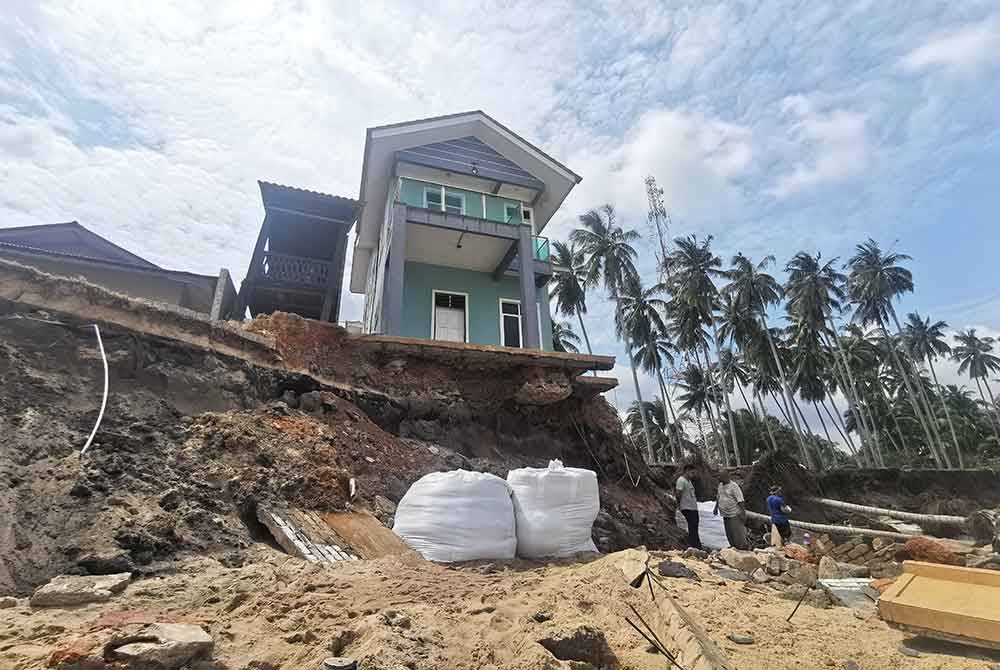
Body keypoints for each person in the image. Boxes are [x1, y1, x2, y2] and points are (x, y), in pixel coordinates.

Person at [713, 471, 747, 550]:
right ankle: (733, 548)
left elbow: (740, 500)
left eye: (720, 476)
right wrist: (716, 508)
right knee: (729, 533)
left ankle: (741, 549)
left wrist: (743, 513)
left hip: (734, 514)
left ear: (725, 476)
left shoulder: (734, 486)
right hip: (725, 514)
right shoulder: (720, 485)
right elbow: (718, 497)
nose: (718, 478)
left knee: (737, 534)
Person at [676, 464, 701, 549]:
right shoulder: (681, 480)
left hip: (692, 508)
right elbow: (678, 494)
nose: (693, 475)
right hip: (687, 508)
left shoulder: (688, 481)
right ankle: (694, 546)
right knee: (692, 527)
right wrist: (679, 505)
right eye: (692, 473)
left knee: (694, 527)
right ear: (687, 471)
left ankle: (696, 545)